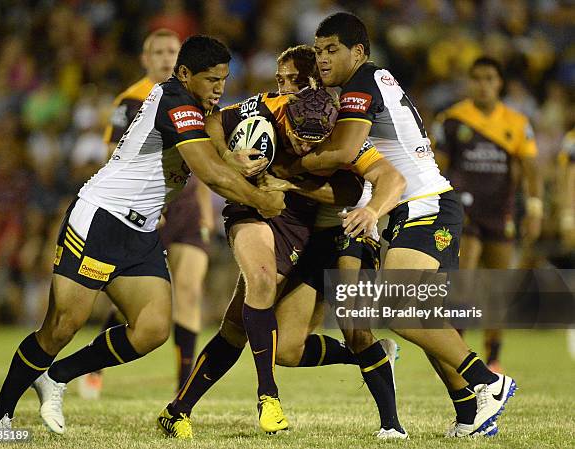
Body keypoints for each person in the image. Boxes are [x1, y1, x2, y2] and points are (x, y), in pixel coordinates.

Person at [0, 35, 285, 433]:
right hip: (101, 219)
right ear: (185, 74)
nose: (219, 88)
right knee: (62, 326)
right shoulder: (174, 100)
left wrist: (235, 158)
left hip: (140, 229)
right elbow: (210, 174)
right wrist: (262, 201)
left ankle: (56, 376)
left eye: (224, 79)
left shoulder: (197, 106)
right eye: (211, 79)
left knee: (153, 328)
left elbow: (219, 155)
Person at [272, 12, 516, 437]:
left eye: (332, 50)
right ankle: (469, 413)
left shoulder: (361, 84)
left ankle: (487, 382)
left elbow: (346, 149)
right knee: (424, 319)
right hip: (417, 208)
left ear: (358, 52)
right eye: (319, 50)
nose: (323, 59)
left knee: (398, 311)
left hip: (425, 206)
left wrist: (292, 167)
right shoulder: (373, 81)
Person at [157, 45, 407, 439]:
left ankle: (177, 411)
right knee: (260, 284)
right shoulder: (267, 109)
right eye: (281, 80)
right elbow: (216, 123)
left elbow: (350, 188)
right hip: (260, 211)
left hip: (322, 230)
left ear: (317, 84)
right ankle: (268, 397)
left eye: (295, 80)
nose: (285, 88)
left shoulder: (341, 124)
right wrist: (229, 157)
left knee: (279, 343)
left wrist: (297, 182)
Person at [79, 28, 212, 398]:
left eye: (173, 51)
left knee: (188, 289)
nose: (167, 58)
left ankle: (183, 386)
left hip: (183, 211)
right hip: (145, 211)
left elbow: (198, 160)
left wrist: (204, 210)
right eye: (159, 52)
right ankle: (95, 365)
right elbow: (114, 159)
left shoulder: (195, 96)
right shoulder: (132, 101)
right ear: (145, 59)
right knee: (132, 305)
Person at [434, 57, 543, 373]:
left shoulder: (517, 123)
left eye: (489, 78)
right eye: (477, 78)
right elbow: (438, 167)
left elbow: (531, 171)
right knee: (463, 280)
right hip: (463, 213)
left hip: (500, 212)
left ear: (499, 83)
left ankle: (493, 357)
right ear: (469, 82)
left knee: (496, 288)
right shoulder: (452, 120)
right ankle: (458, 355)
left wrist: (534, 210)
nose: (483, 84)